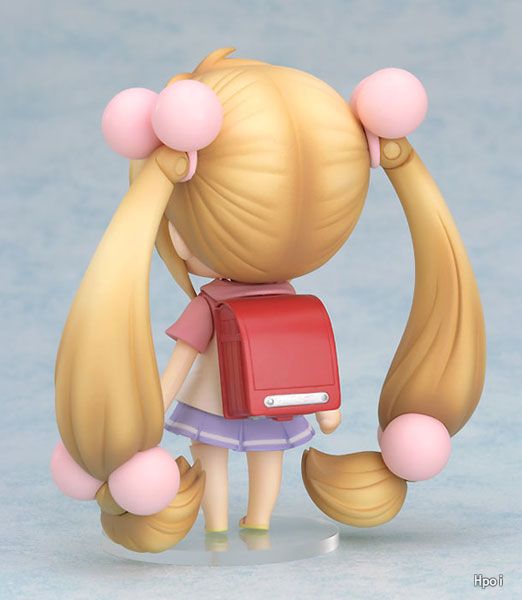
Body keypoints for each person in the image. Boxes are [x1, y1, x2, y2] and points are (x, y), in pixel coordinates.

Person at [52, 48, 485, 552]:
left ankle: (222, 524)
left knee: (213, 459)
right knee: (266, 459)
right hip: (276, 407)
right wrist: (326, 412)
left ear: (178, 231)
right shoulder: (291, 302)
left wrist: (152, 408)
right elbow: (310, 358)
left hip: (213, 402)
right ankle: (253, 521)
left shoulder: (211, 304)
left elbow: (184, 360)